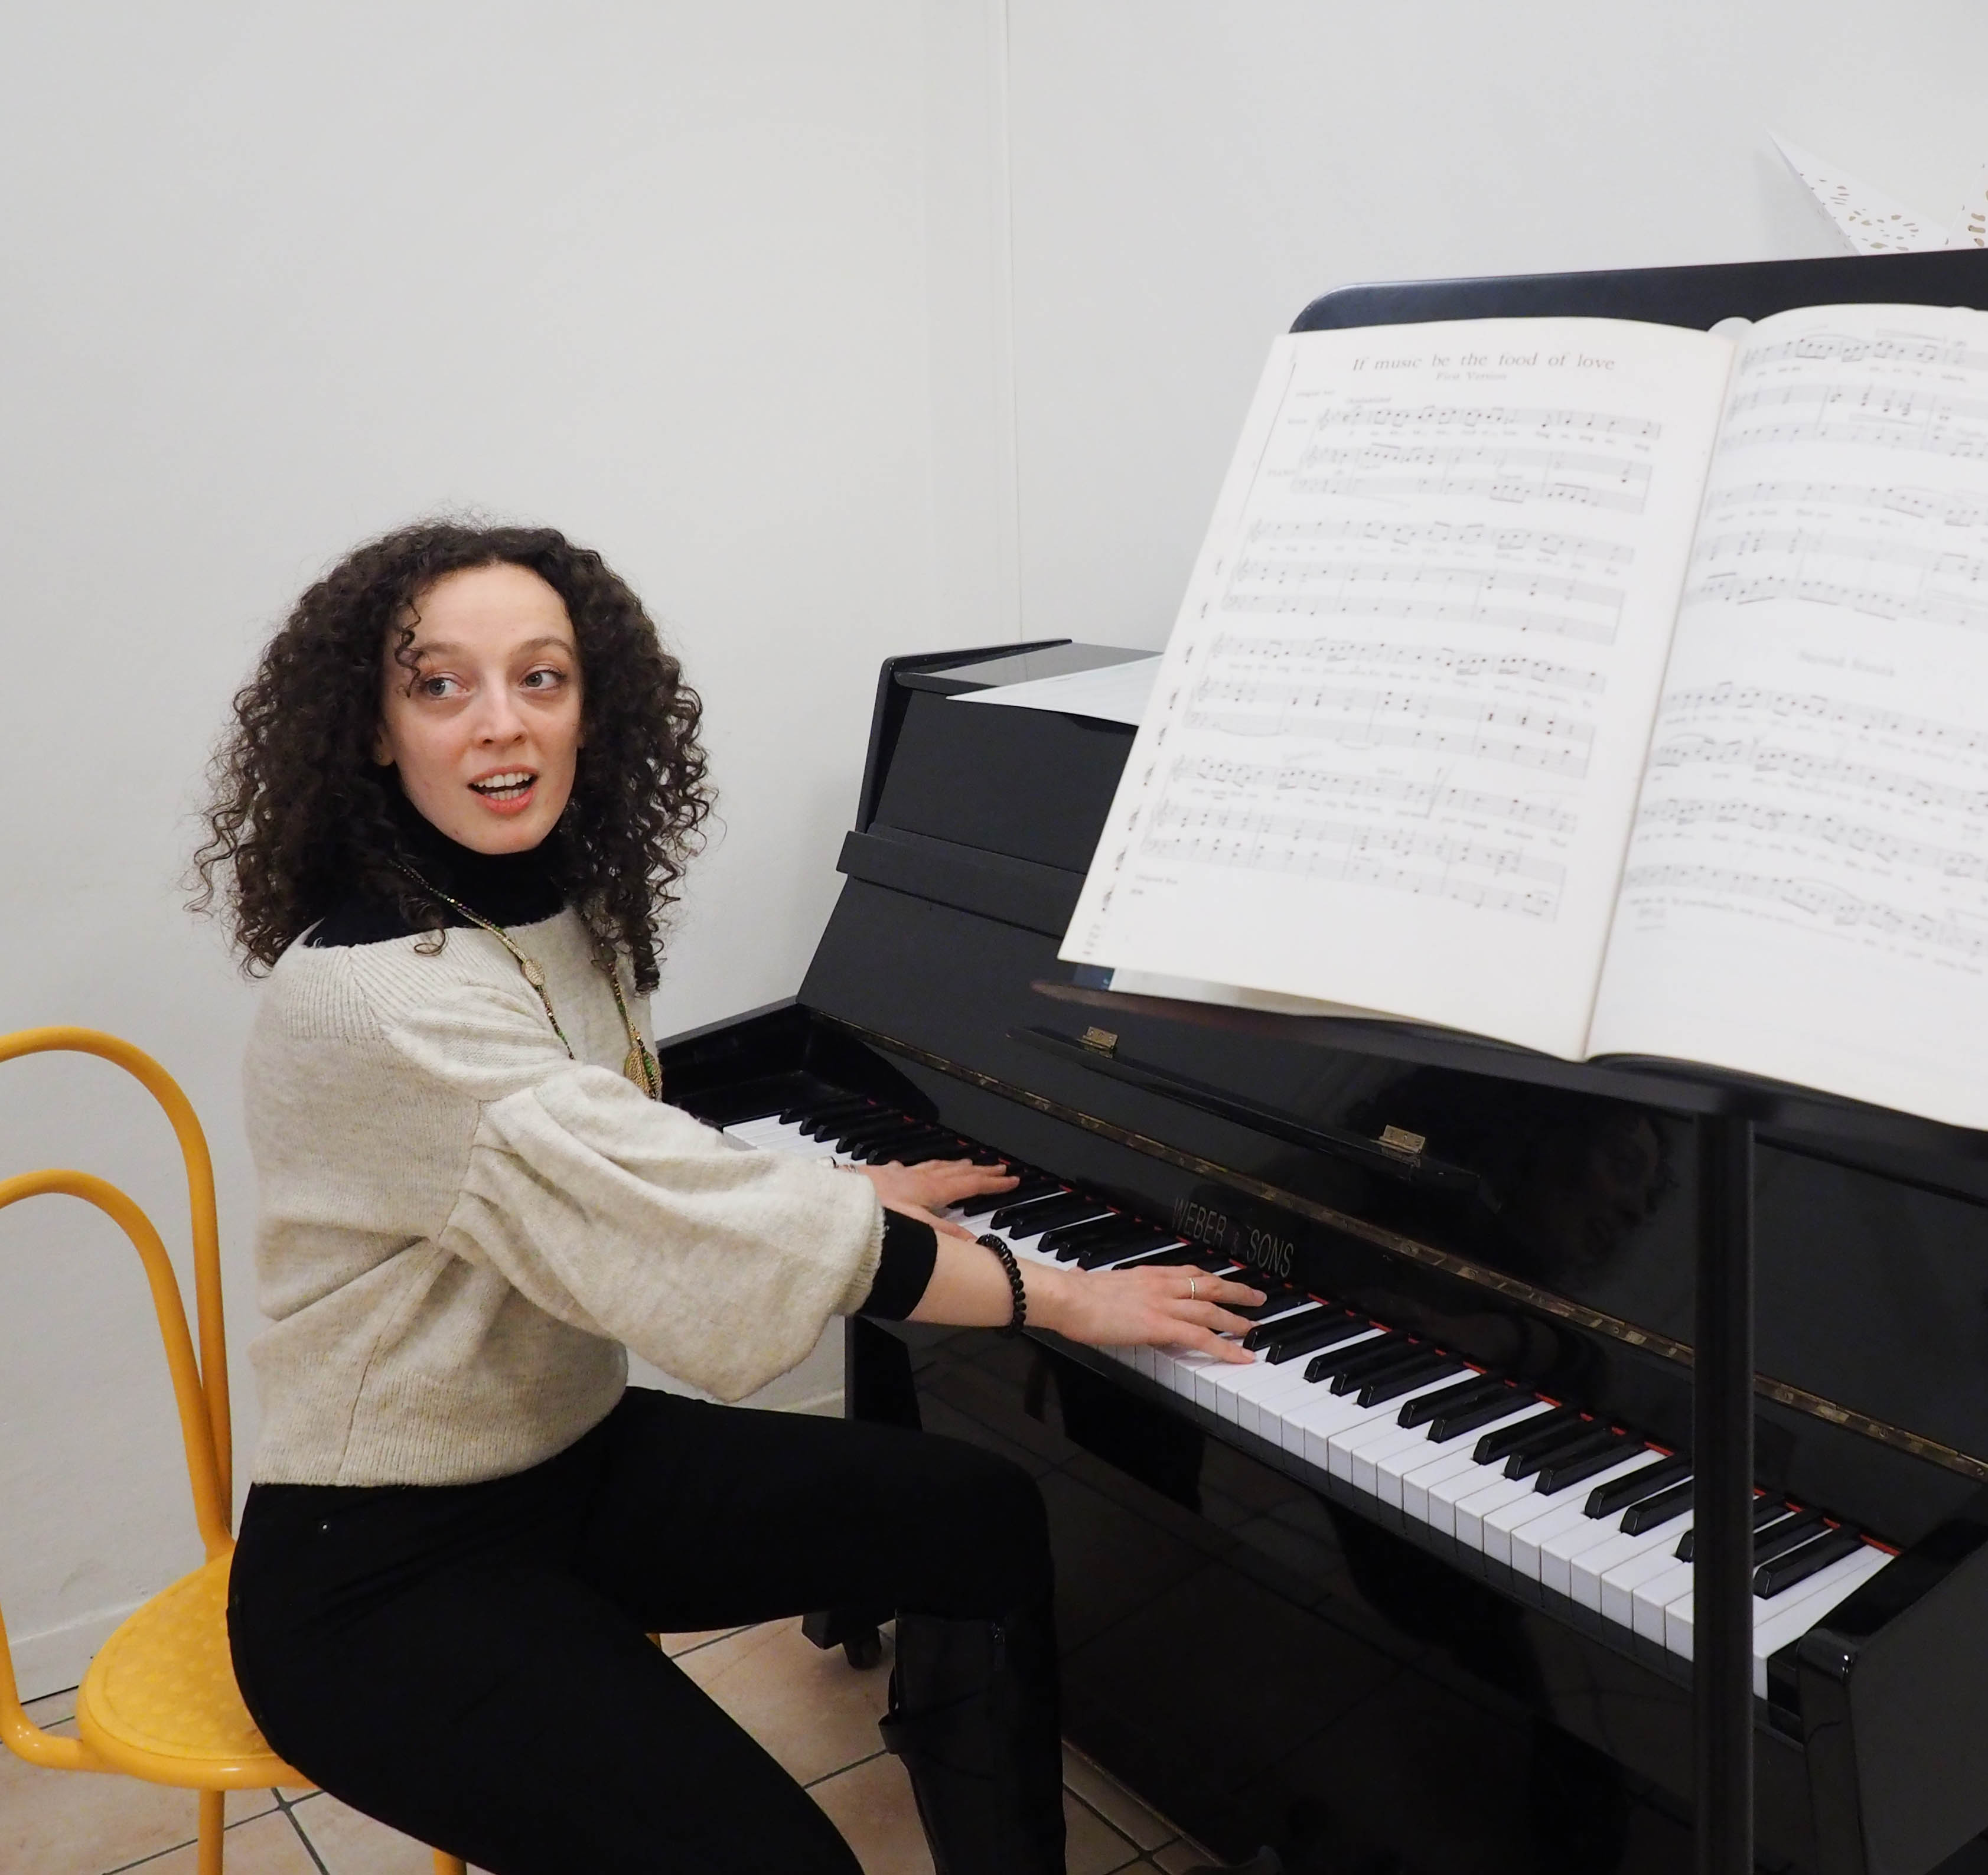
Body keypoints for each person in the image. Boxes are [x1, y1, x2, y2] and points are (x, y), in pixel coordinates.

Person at [191, 520, 1272, 1875]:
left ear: (593, 706)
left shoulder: (554, 908)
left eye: (540, 677)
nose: (500, 723)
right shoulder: (376, 998)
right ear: (371, 726)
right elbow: (647, 1199)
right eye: (441, 684)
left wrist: (833, 1183)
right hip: (381, 1566)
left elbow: (619, 1156)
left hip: (568, 1462)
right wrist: (1057, 1297)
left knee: (976, 1514)